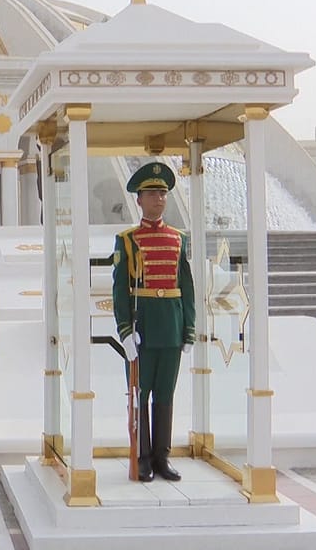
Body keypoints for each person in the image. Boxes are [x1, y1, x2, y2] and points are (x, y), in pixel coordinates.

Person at [112, 161, 195, 483]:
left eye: (162, 194)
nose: (159, 199)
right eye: (152, 194)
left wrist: (188, 329)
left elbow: (186, 286)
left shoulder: (178, 238)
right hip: (143, 328)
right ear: (139, 200)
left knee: (165, 394)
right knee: (140, 394)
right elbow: (120, 290)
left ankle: (162, 456)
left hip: (171, 326)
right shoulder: (128, 240)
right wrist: (125, 331)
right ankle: (142, 457)